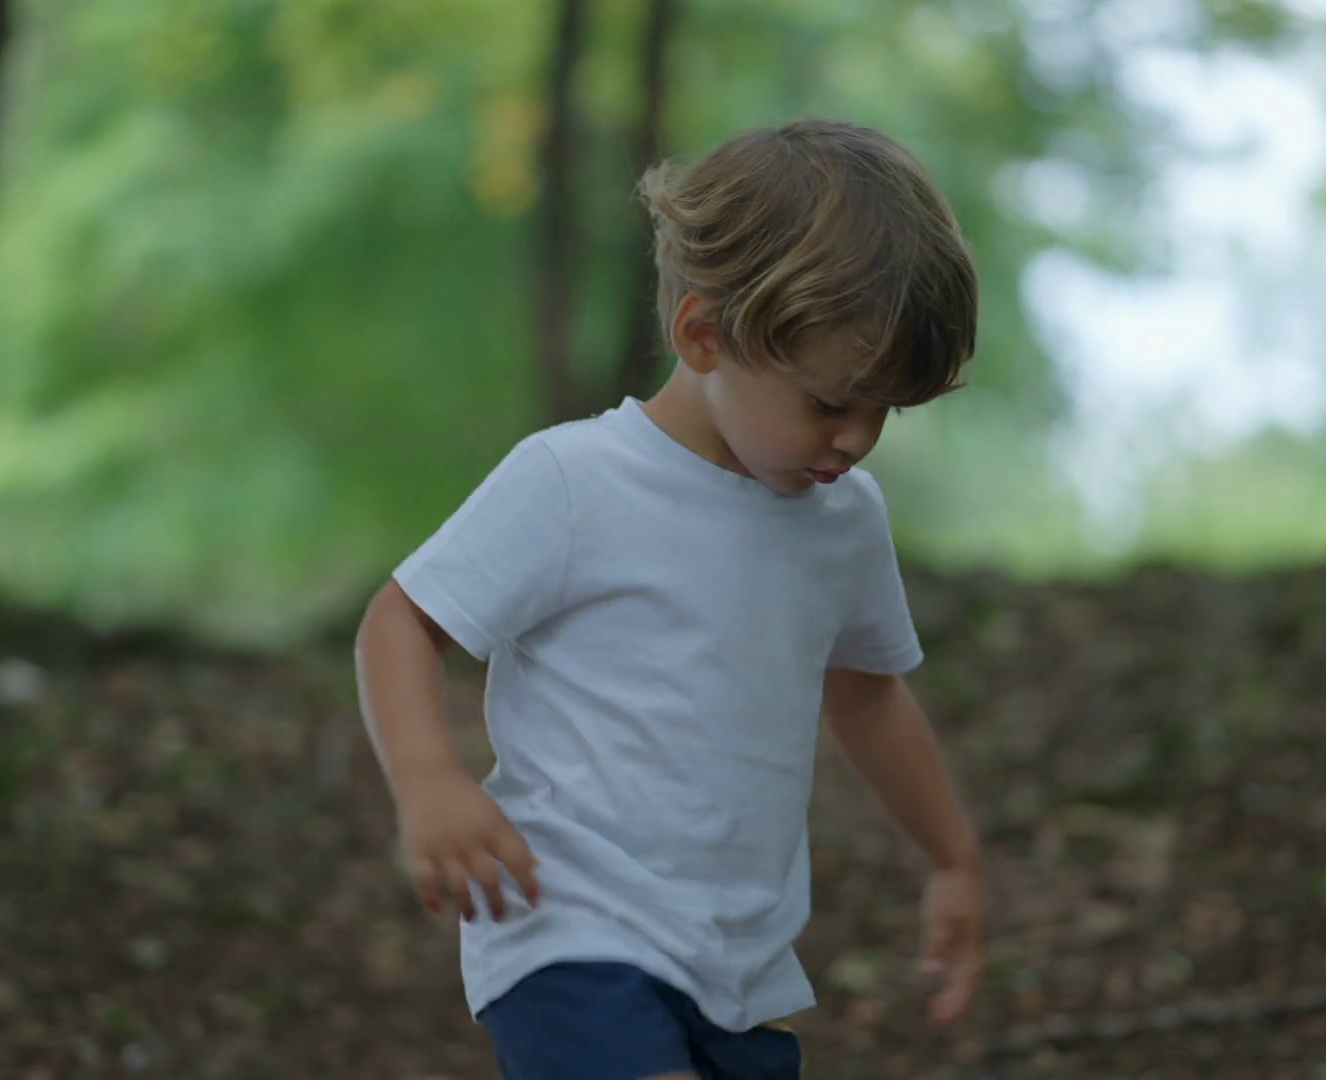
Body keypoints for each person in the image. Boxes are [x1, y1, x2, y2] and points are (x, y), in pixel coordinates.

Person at [354, 118, 986, 1080]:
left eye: (883, 410)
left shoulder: (844, 520)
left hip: (741, 960)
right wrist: (428, 780)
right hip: (568, 924)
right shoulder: (575, 480)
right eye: (830, 402)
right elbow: (401, 620)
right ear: (702, 335)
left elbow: (868, 696)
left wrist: (952, 859)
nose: (858, 439)